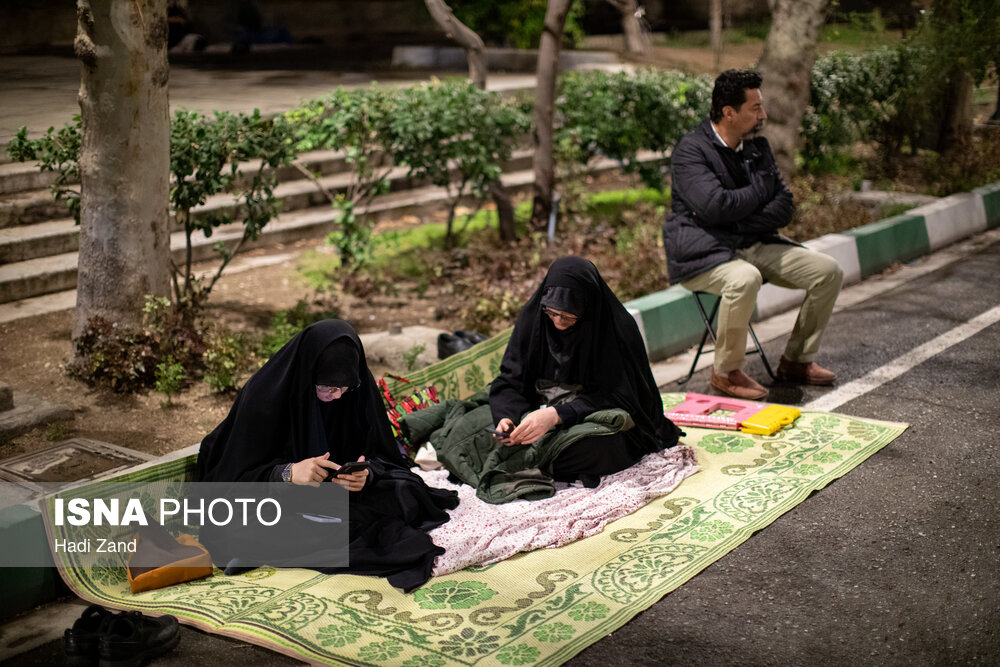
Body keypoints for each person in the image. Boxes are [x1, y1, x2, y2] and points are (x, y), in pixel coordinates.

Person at [197, 319, 458, 591]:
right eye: (328, 388)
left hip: (338, 499)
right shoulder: (265, 399)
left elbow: (383, 454)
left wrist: (366, 474)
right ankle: (265, 545)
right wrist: (287, 473)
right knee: (234, 527)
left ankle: (274, 548)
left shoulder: (355, 391)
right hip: (274, 499)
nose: (337, 397)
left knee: (406, 491)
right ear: (309, 374)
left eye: (344, 389)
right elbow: (228, 480)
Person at [662, 69, 844, 400]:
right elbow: (715, 206)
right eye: (755, 108)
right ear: (729, 112)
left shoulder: (758, 147)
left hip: (753, 243)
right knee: (744, 279)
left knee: (828, 271)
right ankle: (725, 372)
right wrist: (760, 192)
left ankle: (796, 361)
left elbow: (784, 206)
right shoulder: (691, 152)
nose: (762, 115)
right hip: (705, 253)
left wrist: (739, 219)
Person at [489, 256, 682, 487]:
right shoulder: (535, 319)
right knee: (477, 428)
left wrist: (556, 415)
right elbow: (511, 378)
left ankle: (534, 458)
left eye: (569, 316)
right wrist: (507, 418)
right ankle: (537, 456)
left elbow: (622, 397)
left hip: (593, 414)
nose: (558, 322)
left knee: (602, 448)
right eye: (552, 313)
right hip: (538, 409)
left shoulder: (615, 329)